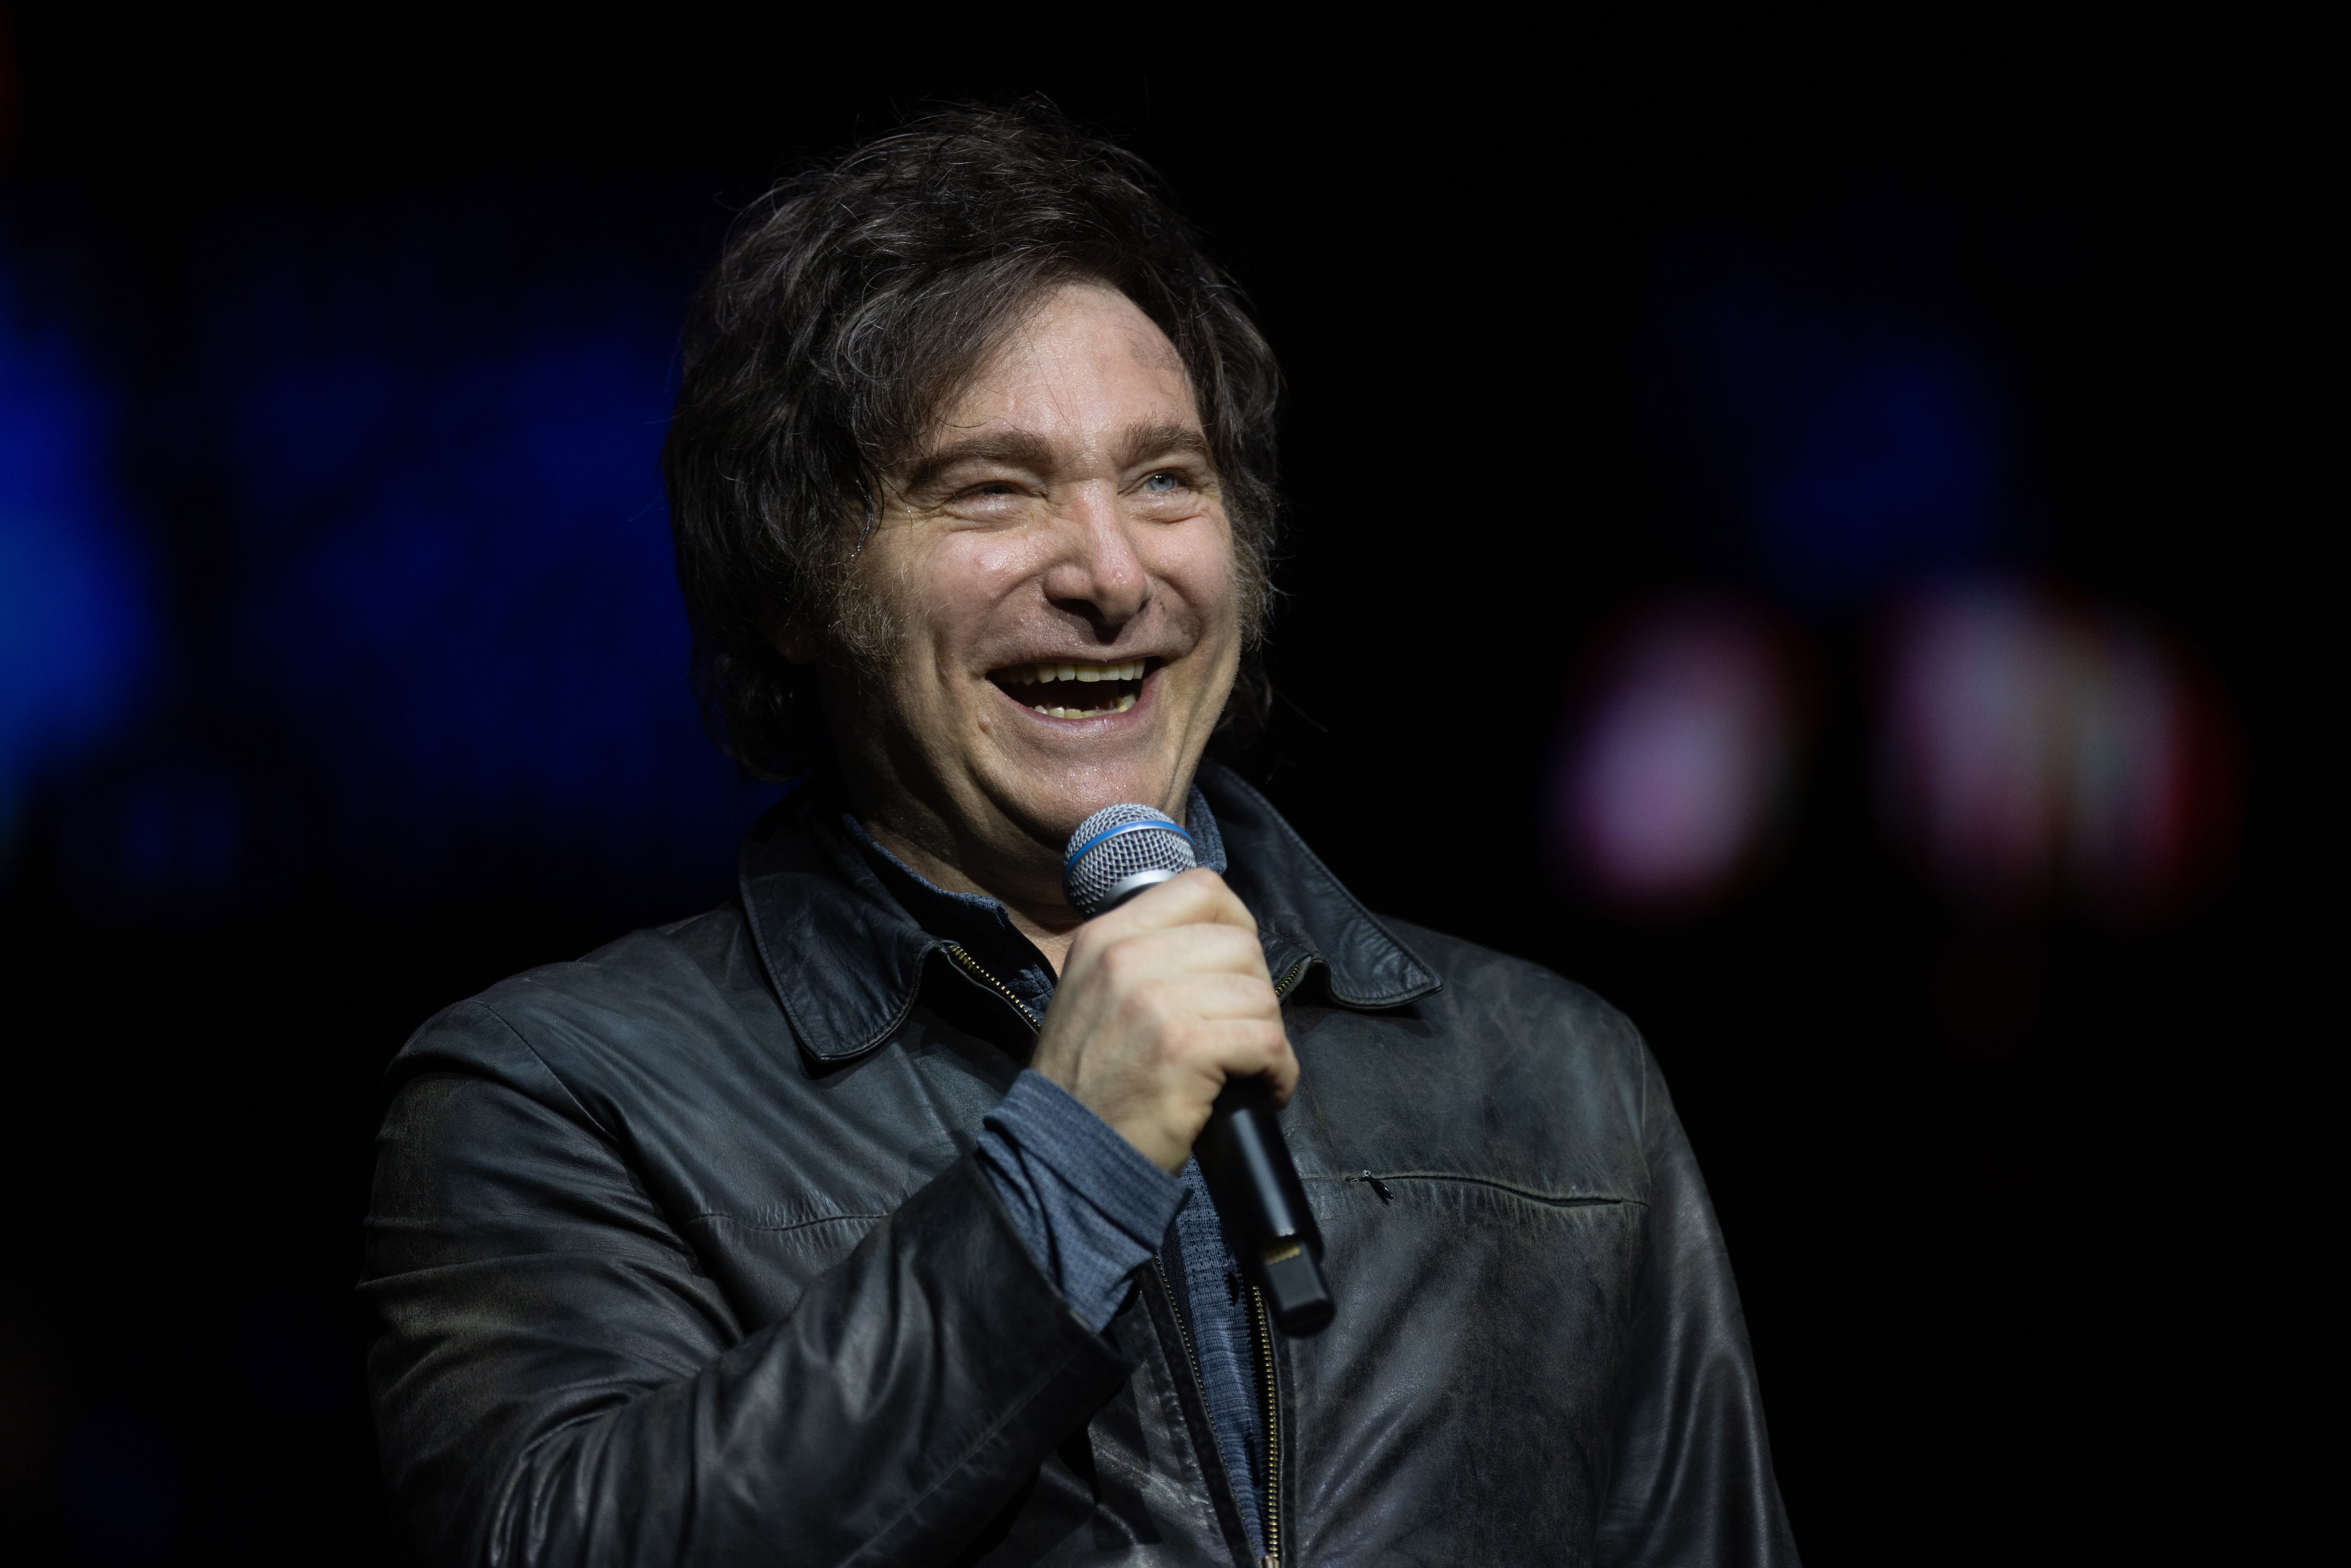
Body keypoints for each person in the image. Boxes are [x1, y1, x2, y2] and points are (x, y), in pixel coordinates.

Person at [361, 103, 1800, 1567]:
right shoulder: (556, 1098)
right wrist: (1065, 1167)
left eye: (1167, 479)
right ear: (792, 585)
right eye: (992, 487)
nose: (1111, 574)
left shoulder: (1555, 1080)